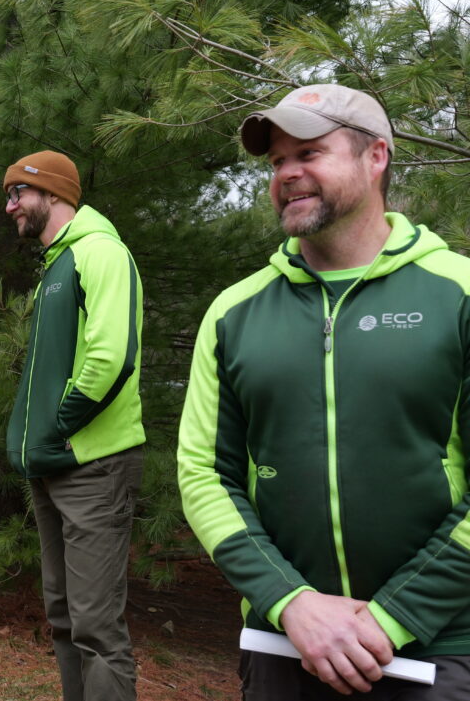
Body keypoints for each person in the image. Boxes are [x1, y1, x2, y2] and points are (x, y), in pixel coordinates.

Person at [178, 84, 470, 699]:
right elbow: (205, 475)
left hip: (440, 648)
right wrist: (292, 604)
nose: (287, 173)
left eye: (308, 153)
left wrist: (390, 620)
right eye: (277, 160)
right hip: (285, 645)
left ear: (377, 157)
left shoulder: (458, 292)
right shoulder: (235, 312)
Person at [3, 150, 146, 701]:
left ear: (54, 194)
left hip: (92, 464)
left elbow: (112, 357)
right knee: (63, 615)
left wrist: (59, 427)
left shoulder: (100, 253)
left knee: (95, 627)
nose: (10, 205)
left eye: (19, 193)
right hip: (54, 461)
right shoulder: (58, 266)